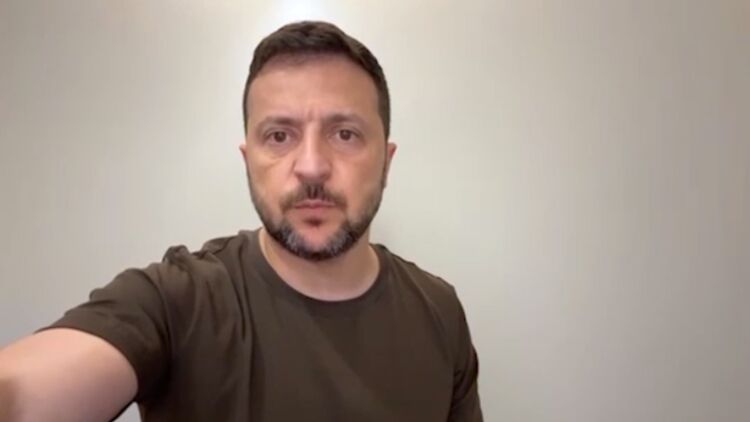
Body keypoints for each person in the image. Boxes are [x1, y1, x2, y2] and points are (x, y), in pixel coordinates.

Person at [0, 21, 483, 421]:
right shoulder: (176, 301)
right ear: (248, 160)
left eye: (344, 133)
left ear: (386, 161)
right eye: (279, 136)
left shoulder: (440, 312)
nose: (312, 166)